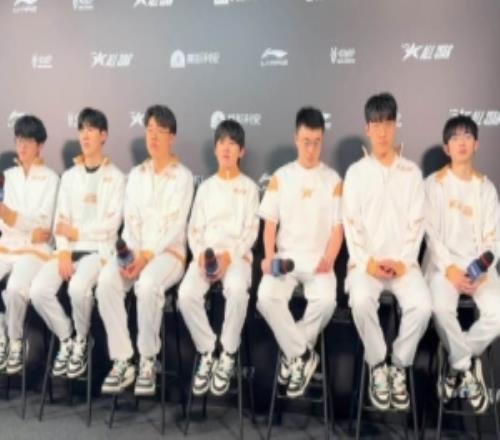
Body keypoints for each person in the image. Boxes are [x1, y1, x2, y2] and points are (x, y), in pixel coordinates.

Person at [343, 92, 431, 411]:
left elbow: (417, 224)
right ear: (367, 129)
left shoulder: (411, 173)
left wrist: (404, 261)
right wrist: (368, 262)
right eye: (376, 124)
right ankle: (378, 364)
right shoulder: (356, 173)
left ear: (396, 126)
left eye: (388, 124)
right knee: (360, 300)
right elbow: (351, 224)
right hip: (365, 265)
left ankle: (398, 365)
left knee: (423, 306)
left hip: (404, 265)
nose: (382, 132)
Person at [97, 105, 194, 396]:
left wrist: (146, 257)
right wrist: (130, 256)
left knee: (148, 284)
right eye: (149, 130)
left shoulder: (183, 176)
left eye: (160, 131)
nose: (153, 137)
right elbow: (131, 220)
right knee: (106, 281)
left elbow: (174, 225)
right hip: (137, 252)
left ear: (171, 137)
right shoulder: (137, 174)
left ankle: (148, 359)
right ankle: (123, 359)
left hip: (169, 255)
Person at [29, 107, 125, 379]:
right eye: (82, 129)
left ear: (103, 135)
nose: (85, 135)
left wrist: (76, 231)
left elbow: (110, 226)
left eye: (91, 130)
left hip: (99, 252)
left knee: (78, 288)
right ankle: (68, 337)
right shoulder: (70, 177)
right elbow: (60, 221)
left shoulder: (116, 177)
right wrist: (62, 251)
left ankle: (83, 340)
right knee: (38, 290)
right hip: (68, 251)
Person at [256, 107, 343, 398]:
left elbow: (338, 228)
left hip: (319, 259)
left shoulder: (333, 179)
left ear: (322, 140)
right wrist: (269, 256)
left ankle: (292, 354)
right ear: (296, 138)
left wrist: (329, 258)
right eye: (306, 141)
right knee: (266, 297)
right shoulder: (281, 176)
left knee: (327, 301)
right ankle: (304, 356)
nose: (311, 149)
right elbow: (270, 224)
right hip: (286, 259)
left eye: (316, 142)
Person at [178, 119, 259, 396]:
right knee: (186, 295)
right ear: (215, 149)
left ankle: (227, 353)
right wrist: (201, 254)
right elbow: (193, 229)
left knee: (236, 290)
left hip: (236, 257)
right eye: (222, 143)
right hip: (206, 256)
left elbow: (251, 232)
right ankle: (208, 351)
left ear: (241, 151)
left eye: (232, 144)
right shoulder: (206, 188)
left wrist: (228, 256)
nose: (226, 149)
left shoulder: (249, 188)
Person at [426, 115, 500, 414]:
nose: (461, 142)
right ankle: (467, 367)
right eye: (455, 137)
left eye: (467, 136)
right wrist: (451, 269)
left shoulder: (486, 188)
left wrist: (480, 269)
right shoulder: (433, 184)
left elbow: (494, 240)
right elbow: (431, 236)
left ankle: (455, 363)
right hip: (443, 268)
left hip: (479, 270)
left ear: (476, 144)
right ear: (447, 147)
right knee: (439, 308)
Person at [0, 115, 59, 374]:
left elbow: (44, 227)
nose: (22, 146)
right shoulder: (8, 177)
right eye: (19, 140)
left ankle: (15, 341)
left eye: (28, 141)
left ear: (40, 145)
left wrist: (14, 219)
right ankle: (2, 336)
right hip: (7, 246)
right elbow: (4, 224)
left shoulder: (50, 179)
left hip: (36, 252)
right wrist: (21, 225)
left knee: (15, 288)